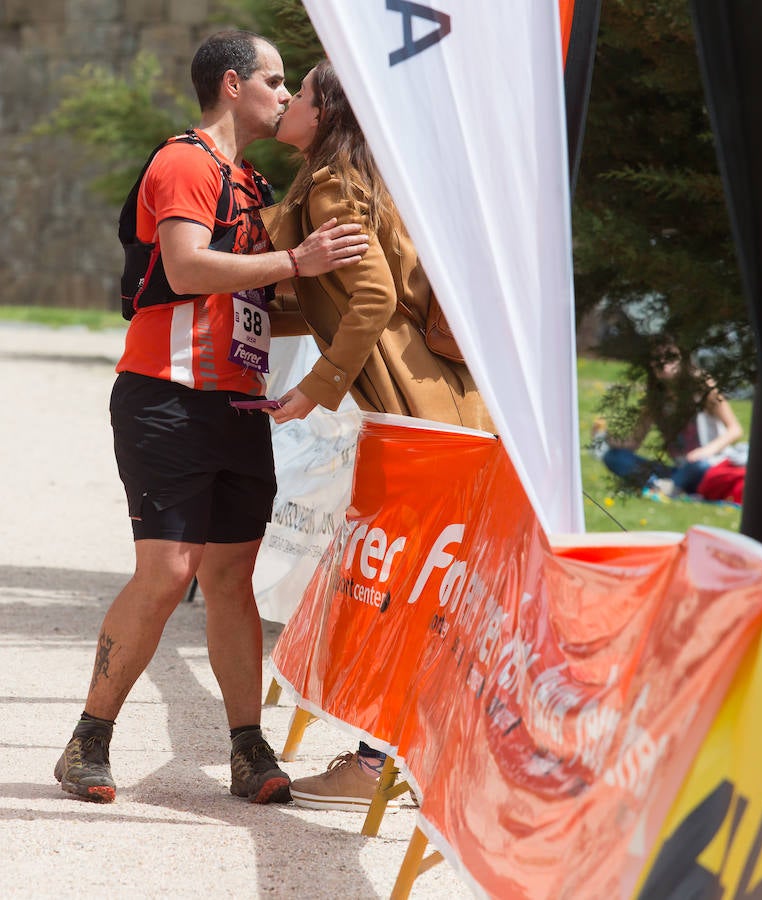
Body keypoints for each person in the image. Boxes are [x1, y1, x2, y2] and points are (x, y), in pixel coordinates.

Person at [53, 30, 368, 805]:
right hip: (164, 396)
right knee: (166, 572)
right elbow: (191, 267)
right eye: (274, 79)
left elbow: (251, 300)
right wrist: (299, 262)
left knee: (231, 578)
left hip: (236, 405)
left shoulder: (252, 184)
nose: (287, 94)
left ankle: (245, 748)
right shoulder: (184, 161)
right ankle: (87, 741)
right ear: (232, 85)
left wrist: (341, 311)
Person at [259, 60, 495, 811]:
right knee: (430, 593)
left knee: (407, 593)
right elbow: (342, 304)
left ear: (326, 112)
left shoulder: (332, 185)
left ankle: (371, 766)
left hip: (417, 417)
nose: (287, 105)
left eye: (297, 95)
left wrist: (314, 388)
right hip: (442, 413)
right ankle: (411, 761)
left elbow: (373, 297)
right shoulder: (351, 183)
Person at [594, 341, 747, 504]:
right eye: (657, 359)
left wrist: (705, 451)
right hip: (678, 470)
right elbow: (633, 442)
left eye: (670, 357)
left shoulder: (702, 386)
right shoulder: (655, 399)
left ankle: (662, 488)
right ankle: (667, 487)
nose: (664, 364)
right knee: (615, 458)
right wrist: (604, 438)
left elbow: (735, 430)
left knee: (696, 466)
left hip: (710, 465)